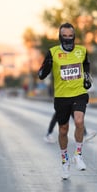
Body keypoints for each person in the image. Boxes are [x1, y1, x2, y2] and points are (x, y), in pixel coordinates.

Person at [38, 22, 92, 180]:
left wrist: (87, 77)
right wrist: (46, 66)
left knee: (79, 121)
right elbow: (42, 74)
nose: (68, 38)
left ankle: (78, 155)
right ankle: (64, 161)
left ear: (74, 36)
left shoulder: (82, 50)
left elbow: (86, 65)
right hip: (61, 96)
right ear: (60, 36)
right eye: (65, 36)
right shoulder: (53, 52)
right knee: (63, 130)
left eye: (70, 36)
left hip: (79, 93)